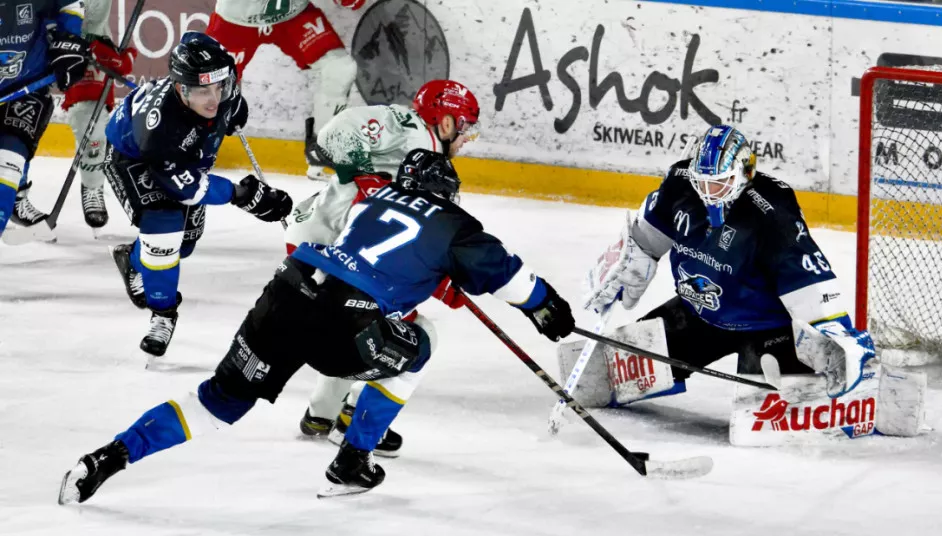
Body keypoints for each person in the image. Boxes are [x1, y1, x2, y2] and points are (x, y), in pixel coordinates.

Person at [58, 148, 575, 503]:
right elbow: (508, 274)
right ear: (447, 193)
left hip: (290, 287)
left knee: (218, 401)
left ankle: (111, 455)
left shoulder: (372, 201)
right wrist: (544, 305)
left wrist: (438, 277)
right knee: (419, 348)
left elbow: (378, 255)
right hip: (348, 324)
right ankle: (352, 460)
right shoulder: (454, 224)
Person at [584, 124, 875, 399]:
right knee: (616, 374)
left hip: (765, 327)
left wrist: (832, 331)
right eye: (703, 183)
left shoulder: (772, 213)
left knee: (762, 410)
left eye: (720, 184)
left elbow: (808, 279)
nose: (709, 193)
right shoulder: (680, 186)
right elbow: (647, 241)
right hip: (698, 314)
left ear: (744, 173)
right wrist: (627, 265)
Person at [289, 80, 480, 454]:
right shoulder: (411, 130)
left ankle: (322, 414)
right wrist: (362, 177)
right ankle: (354, 419)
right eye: (464, 126)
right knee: (396, 335)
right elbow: (334, 133)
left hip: (326, 240)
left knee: (351, 328)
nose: (466, 138)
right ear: (444, 122)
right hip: (331, 243)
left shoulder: (422, 152)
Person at [104, 32, 292, 357]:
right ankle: (163, 315)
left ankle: (132, 258)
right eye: (203, 91)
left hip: (183, 157)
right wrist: (244, 195)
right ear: (180, 88)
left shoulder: (220, 94)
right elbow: (191, 189)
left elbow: (223, 105)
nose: (213, 100)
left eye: (219, 87)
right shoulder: (158, 131)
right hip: (135, 159)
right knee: (164, 235)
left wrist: (234, 110)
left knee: (185, 244)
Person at [204, 0, 362, 179]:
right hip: (236, 20)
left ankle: (321, 151)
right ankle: (184, 150)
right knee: (207, 84)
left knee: (339, 68)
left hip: (292, 17)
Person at [0, 0, 89, 244]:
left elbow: (69, 4)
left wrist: (68, 41)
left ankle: (15, 197)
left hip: (25, 84)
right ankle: (16, 193)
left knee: (9, 159)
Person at [61, 0, 138, 232]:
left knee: (91, 123)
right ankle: (16, 191)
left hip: (91, 36)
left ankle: (92, 185)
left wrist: (102, 48)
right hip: (43, 30)